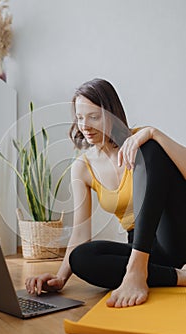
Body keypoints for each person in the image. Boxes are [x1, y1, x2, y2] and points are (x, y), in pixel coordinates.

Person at [25, 78, 186, 308]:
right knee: (80, 257)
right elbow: (80, 234)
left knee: (149, 147)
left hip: (176, 233)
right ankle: (176, 276)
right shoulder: (82, 168)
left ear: (111, 115)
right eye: (80, 118)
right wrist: (60, 277)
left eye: (94, 116)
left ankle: (137, 269)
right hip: (147, 251)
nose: (85, 125)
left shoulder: (142, 142)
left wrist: (153, 133)